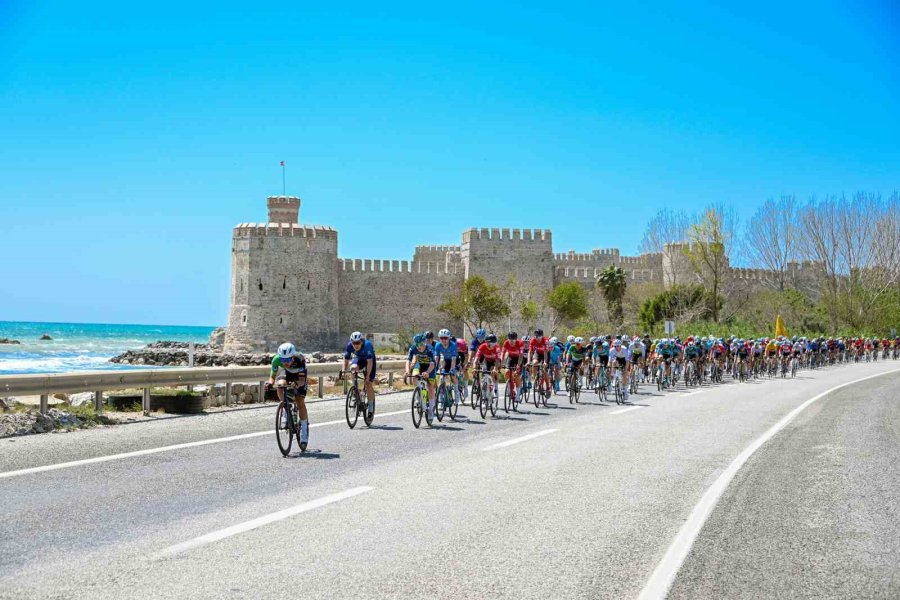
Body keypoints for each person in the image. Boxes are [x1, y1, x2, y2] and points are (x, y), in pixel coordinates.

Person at [270, 342, 310, 451]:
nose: (285, 362)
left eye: (287, 360)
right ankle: (285, 408)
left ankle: (304, 431)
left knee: (299, 400)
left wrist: (296, 384)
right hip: (287, 374)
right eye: (283, 360)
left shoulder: (300, 359)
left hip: (299, 376)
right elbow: (272, 376)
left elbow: (301, 381)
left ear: (293, 357)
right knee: (280, 385)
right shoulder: (276, 360)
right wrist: (269, 383)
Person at [342, 331, 377, 421]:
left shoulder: (367, 345)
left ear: (361, 341)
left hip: (369, 360)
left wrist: (368, 376)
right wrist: (343, 371)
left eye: (358, 343)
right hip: (359, 359)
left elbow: (369, 363)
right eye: (354, 343)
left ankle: (370, 408)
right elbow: (346, 360)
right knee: (353, 368)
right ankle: (355, 389)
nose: (356, 345)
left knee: (368, 382)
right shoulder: (349, 346)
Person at [405, 333, 436, 418]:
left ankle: (430, 410)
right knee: (415, 377)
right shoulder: (413, 348)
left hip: (429, 366)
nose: (419, 346)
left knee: (430, 386)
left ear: (424, 342)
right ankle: (419, 395)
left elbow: (432, 364)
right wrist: (407, 371)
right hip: (419, 365)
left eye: (420, 344)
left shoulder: (430, 349)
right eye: (417, 344)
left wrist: (428, 373)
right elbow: (408, 361)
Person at [433, 329, 460, 405]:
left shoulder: (453, 345)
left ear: (449, 338)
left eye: (445, 338)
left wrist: (452, 369)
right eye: (442, 338)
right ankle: (441, 400)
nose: (444, 340)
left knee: (453, 375)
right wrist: (434, 368)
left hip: (454, 360)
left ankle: (456, 392)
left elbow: (454, 359)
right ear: (439, 338)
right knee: (441, 378)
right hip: (446, 360)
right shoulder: (438, 345)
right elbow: (436, 358)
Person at [501, 332, 524, 401]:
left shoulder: (520, 343)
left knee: (517, 375)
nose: (511, 341)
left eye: (513, 340)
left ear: (516, 339)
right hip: (511, 358)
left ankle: (518, 394)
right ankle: (509, 387)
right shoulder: (506, 343)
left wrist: (518, 365)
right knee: (507, 371)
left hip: (518, 359)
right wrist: (502, 363)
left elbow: (521, 355)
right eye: (510, 339)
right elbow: (503, 353)